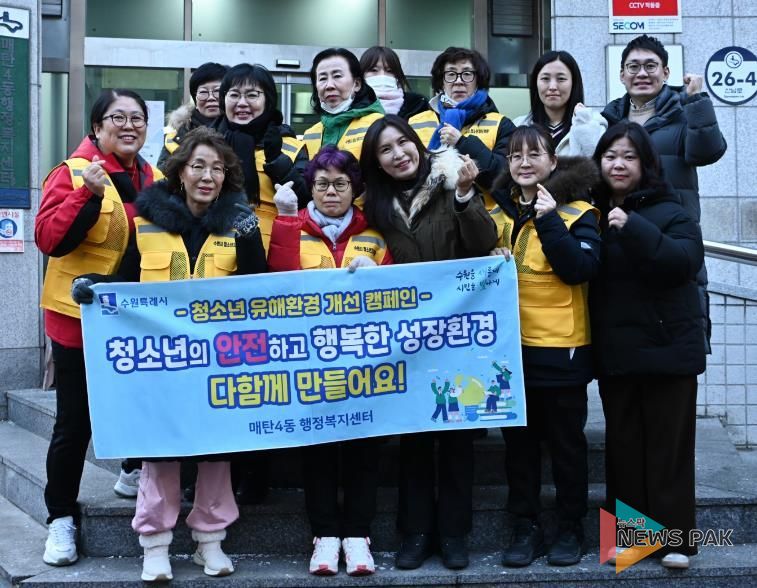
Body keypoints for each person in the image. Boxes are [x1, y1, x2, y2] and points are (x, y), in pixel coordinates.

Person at [72, 127, 267, 581]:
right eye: (198, 166)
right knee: (159, 452)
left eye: (217, 168)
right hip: (161, 365)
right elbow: (123, 283)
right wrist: (93, 289)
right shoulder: (146, 222)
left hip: (219, 363)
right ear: (180, 172)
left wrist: (251, 238)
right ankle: (155, 545)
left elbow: (258, 291)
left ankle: (210, 541)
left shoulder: (240, 224)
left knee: (216, 451)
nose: (207, 176)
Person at [360, 114, 498, 571]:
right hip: (407, 338)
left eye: (403, 143)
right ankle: (416, 533)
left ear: (418, 144)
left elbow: (482, 242)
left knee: (457, 437)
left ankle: (454, 534)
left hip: (458, 331)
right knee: (415, 436)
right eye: (385, 150)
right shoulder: (373, 205)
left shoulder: (450, 182)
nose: (398, 154)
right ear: (376, 162)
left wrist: (465, 196)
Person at [35, 89, 163, 566]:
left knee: (139, 401)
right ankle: (60, 519)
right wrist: (85, 194)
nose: (129, 126)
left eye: (137, 118)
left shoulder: (154, 177)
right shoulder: (72, 172)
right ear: (97, 126)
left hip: (134, 319)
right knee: (74, 422)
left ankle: (132, 470)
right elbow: (48, 239)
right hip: (78, 319)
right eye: (117, 118)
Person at [268, 145, 392, 576]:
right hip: (310, 365)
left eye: (341, 183)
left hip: (365, 364)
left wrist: (381, 275)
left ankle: (358, 535)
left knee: (364, 448)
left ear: (355, 188)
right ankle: (324, 535)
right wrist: (286, 220)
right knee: (317, 450)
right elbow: (277, 283)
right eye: (322, 184)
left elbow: (401, 294)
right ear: (310, 188)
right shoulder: (292, 225)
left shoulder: (375, 232)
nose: (331, 192)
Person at [590, 121, 705, 569]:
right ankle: (632, 540)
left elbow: (684, 263)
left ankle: (677, 542)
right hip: (617, 351)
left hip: (668, 349)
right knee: (623, 449)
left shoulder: (671, 209)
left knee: (668, 449)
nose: (618, 164)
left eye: (629, 156)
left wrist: (633, 226)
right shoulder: (589, 211)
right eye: (610, 156)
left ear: (646, 163)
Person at [490, 125, 600, 568]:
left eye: (534, 154)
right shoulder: (497, 212)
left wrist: (549, 218)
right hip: (509, 351)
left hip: (562, 349)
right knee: (519, 449)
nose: (524, 163)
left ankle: (570, 527)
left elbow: (579, 269)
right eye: (515, 156)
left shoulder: (579, 212)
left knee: (567, 447)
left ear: (553, 162)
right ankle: (526, 527)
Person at [602, 34, 726, 350]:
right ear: (621, 74)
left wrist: (697, 100)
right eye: (633, 67)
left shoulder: (683, 112)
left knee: (677, 329)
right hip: (621, 234)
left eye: (650, 66)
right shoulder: (609, 119)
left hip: (672, 236)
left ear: (666, 73)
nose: (641, 73)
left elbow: (708, 151)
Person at [213, 63, 309, 251]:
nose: (242, 103)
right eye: (234, 95)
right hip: (215, 249)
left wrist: (277, 161)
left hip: (275, 249)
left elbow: (306, 201)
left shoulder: (292, 146)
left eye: (252, 95)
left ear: (268, 100)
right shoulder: (206, 144)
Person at [409, 46, 515, 196]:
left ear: (478, 80)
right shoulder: (415, 123)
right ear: (441, 82)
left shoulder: (501, 124)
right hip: (428, 208)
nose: (458, 81)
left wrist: (462, 143)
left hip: (483, 209)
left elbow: (505, 179)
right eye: (451, 74)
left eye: (467, 74)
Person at [513, 51, 606, 156]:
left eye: (561, 79)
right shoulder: (518, 126)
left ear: (574, 83)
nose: (552, 87)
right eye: (545, 79)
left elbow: (597, 158)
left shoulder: (594, 124)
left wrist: (583, 122)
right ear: (535, 83)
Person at [303, 48, 384, 161]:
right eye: (322, 78)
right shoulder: (309, 134)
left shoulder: (379, 124)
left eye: (337, 76)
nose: (329, 85)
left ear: (357, 84)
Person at [157, 62, 228, 171]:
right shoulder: (177, 134)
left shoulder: (239, 131)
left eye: (217, 91)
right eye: (203, 92)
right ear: (195, 98)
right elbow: (163, 174)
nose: (211, 98)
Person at [359, 46, 429, 120]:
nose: (382, 75)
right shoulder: (353, 108)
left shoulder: (418, 106)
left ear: (397, 77)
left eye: (389, 71)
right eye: (374, 70)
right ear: (362, 75)